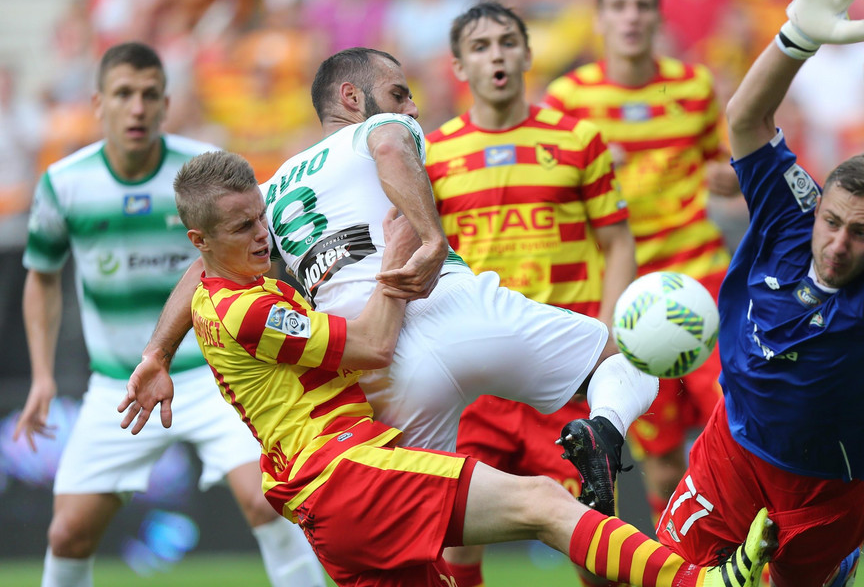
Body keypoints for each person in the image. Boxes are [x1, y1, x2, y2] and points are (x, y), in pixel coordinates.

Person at [133, 148, 777, 586]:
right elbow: (372, 345)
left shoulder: (225, 280)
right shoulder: (246, 310)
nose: (261, 238)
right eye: (242, 228)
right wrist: (395, 257)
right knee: (546, 504)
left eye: (260, 219)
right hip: (346, 475)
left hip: (330, 501)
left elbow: (199, 280)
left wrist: (157, 353)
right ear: (200, 242)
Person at [121, 46, 650, 533]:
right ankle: (603, 433)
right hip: (447, 303)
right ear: (352, 97)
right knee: (622, 360)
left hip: (377, 368)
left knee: (436, 522)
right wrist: (432, 237)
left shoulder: (269, 190)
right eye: (399, 93)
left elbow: (201, 270)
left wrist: (157, 352)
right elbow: (392, 143)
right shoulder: (375, 128)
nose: (412, 107)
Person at [12, 42, 325, 587]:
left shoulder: (200, 173)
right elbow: (41, 278)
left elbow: (251, 254)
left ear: (166, 103)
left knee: (269, 501)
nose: (137, 107)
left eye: (149, 95)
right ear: (98, 103)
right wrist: (42, 376)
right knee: (67, 535)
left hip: (215, 373)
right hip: (118, 383)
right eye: (124, 94)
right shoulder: (64, 183)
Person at [653, 0, 864, 586]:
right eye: (831, 223)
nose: (837, 244)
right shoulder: (789, 217)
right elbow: (745, 119)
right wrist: (795, 38)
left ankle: (837, 565)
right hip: (734, 442)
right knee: (670, 574)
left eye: (861, 234)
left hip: (831, 484)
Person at [423, 2, 638, 586]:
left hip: (562, 373)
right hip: (474, 380)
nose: (496, 54)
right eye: (481, 45)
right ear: (459, 66)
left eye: (506, 42)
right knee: (458, 543)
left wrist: (611, 337)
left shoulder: (578, 139)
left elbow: (617, 241)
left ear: (526, 53)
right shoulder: (433, 156)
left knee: (593, 542)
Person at [543, 0, 739, 525]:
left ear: (656, 15)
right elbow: (554, 192)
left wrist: (731, 174)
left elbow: (718, 166)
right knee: (663, 456)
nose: (631, 16)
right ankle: (681, 563)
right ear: (600, 19)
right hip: (627, 294)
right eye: (619, 5)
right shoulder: (567, 98)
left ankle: (753, 560)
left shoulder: (694, 88)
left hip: (699, 279)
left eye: (641, 5)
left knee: (737, 427)